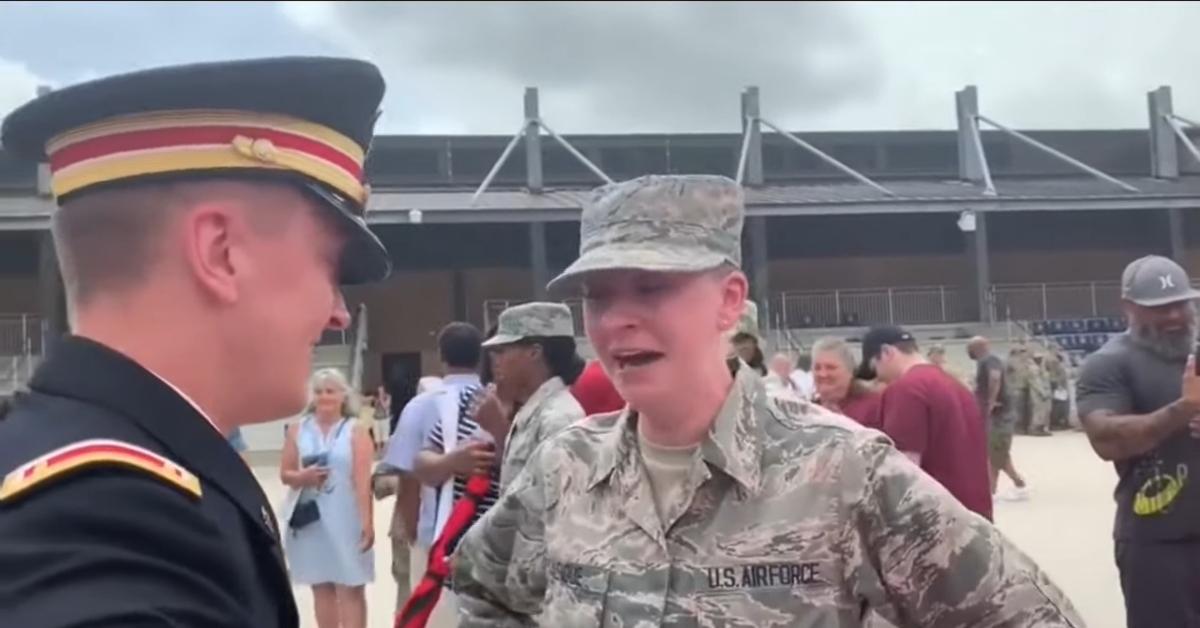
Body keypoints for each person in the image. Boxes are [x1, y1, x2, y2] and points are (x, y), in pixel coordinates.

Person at [450, 174, 1082, 626]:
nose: (618, 321)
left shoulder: (842, 471)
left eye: (650, 288)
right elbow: (482, 588)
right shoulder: (566, 466)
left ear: (729, 300)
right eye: (598, 297)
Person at [0, 57, 389, 626]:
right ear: (220, 252)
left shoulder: (86, 478)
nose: (338, 313)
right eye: (332, 268)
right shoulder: (108, 525)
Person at [1076, 255, 1200, 628]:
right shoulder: (1109, 364)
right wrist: (1185, 409)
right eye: (1160, 308)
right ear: (1129, 308)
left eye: (1181, 303)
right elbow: (1106, 439)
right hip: (1160, 541)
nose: (1175, 316)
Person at [382, 322, 483, 615]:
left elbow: (409, 478)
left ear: (441, 356)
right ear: (480, 356)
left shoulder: (419, 407)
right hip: (486, 533)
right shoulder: (494, 401)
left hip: (434, 534)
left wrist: (412, 532)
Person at [858, 326, 994, 521]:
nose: (878, 376)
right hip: (974, 515)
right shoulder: (955, 384)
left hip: (938, 522)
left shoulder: (906, 389)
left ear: (887, 352)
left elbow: (905, 472)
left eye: (874, 367)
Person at [280, 369, 375, 628]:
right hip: (310, 518)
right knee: (320, 586)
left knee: (351, 586)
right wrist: (303, 477)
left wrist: (367, 523)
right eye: (319, 391)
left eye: (330, 391)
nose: (324, 397)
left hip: (345, 516)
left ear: (343, 396)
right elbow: (285, 473)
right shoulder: (298, 429)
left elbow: (362, 481)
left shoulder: (355, 431)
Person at [471, 301, 587, 490]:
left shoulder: (558, 420)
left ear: (534, 352)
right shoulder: (534, 412)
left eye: (502, 351)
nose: (495, 360)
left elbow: (561, 508)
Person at [967, 336, 1028, 500]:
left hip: (1000, 414)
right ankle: (1018, 484)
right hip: (997, 414)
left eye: (969, 348)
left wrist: (991, 403)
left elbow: (995, 378)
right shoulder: (985, 361)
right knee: (997, 451)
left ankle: (992, 491)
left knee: (996, 452)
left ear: (976, 348)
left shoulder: (990, 360)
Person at [811, 336, 882, 428]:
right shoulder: (807, 411)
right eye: (817, 368)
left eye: (831, 367)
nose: (823, 374)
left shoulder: (875, 407)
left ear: (850, 371)